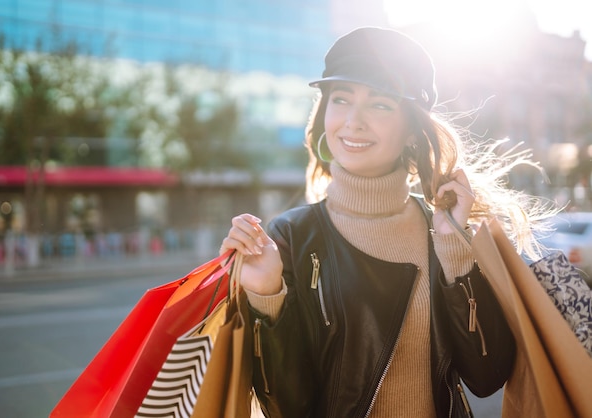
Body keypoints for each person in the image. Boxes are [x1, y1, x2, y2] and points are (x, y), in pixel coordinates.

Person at [220, 27, 550, 418]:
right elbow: (289, 406)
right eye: (341, 100)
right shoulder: (289, 237)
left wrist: (457, 255)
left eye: (379, 105)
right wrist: (266, 293)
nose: (353, 121)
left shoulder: (444, 231)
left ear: (412, 129)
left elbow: (487, 376)